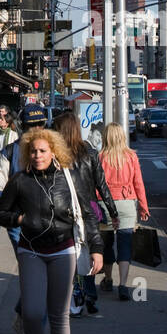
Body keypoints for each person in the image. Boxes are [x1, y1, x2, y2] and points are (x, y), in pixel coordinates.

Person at [0, 127, 103, 334]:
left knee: (59, 315)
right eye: (33, 151)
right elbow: (1, 212)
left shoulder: (70, 178)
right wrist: (19, 220)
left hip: (63, 251)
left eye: (43, 150)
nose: (37, 155)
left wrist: (97, 249)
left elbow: (88, 213)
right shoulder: (20, 180)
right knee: (32, 312)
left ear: (54, 152)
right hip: (31, 250)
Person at [53, 110, 119, 317]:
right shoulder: (90, 153)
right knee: (90, 254)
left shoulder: (57, 156)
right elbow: (102, 185)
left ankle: (75, 296)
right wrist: (113, 212)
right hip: (90, 211)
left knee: (70, 255)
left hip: (65, 212)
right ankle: (89, 295)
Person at [0, 101, 47, 334]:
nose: (35, 130)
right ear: (21, 127)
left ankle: (23, 314)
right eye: (30, 126)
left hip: (49, 224)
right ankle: (34, 333)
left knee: (40, 278)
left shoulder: (53, 153)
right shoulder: (8, 153)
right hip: (19, 224)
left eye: (40, 125)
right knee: (34, 276)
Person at [98, 122, 150, 301]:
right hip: (127, 202)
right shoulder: (131, 157)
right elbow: (139, 183)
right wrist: (143, 206)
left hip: (105, 204)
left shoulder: (101, 157)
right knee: (125, 244)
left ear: (106, 137)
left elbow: (96, 184)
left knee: (106, 243)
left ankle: (108, 278)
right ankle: (123, 285)